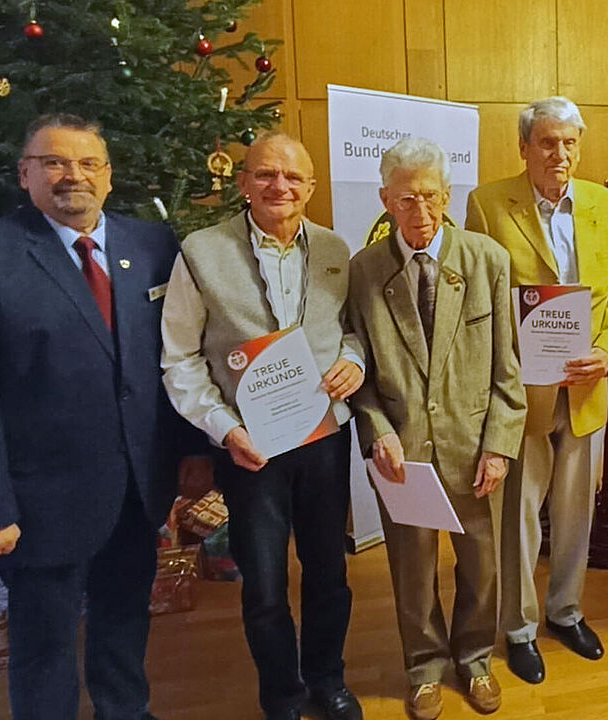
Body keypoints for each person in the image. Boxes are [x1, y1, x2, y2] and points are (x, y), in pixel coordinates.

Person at [0, 114, 182, 720]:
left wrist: (189, 462)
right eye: (55, 163)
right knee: (44, 649)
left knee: (123, 630)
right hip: (37, 504)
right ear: (25, 175)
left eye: (89, 164)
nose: (73, 176)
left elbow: (175, 361)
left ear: (109, 177)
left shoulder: (153, 245)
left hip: (135, 494)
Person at [160, 131, 364, 720]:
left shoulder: (332, 249)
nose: (281, 186)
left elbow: (350, 328)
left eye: (294, 178)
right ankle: (282, 694)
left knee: (329, 569)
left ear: (311, 188)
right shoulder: (201, 251)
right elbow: (179, 357)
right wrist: (223, 429)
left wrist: (352, 361)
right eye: (267, 175)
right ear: (245, 182)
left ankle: (328, 678)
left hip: (324, 436)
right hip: (251, 446)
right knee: (266, 582)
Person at [348, 138, 526, 719]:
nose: (420, 211)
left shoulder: (488, 260)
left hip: (475, 449)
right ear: (385, 200)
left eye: (430, 196)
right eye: (406, 198)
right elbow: (362, 373)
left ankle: (475, 659)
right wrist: (376, 432)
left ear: (448, 197)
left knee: (482, 564)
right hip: (402, 456)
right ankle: (423, 666)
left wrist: (500, 446)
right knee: (412, 570)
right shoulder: (364, 269)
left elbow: (508, 368)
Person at [466, 96, 608, 684]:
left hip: (587, 387)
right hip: (521, 392)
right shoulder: (488, 204)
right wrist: (508, 364)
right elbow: (477, 301)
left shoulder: (605, 205)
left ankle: (565, 611)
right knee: (518, 517)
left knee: (574, 514)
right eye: (547, 142)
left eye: (569, 142)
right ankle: (518, 627)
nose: (559, 153)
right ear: (524, 147)